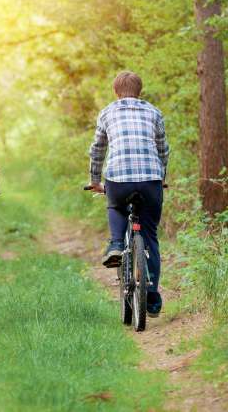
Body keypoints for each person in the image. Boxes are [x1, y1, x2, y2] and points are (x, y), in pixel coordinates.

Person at [87, 71, 169, 317]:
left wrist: (94, 180)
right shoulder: (154, 112)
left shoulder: (107, 112)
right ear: (140, 91)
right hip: (150, 179)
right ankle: (152, 297)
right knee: (150, 235)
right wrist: (161, 178)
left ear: (116, 92)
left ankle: (115, 244)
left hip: (119, 178)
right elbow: (163, 148)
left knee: (116, 206)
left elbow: (98, 148)